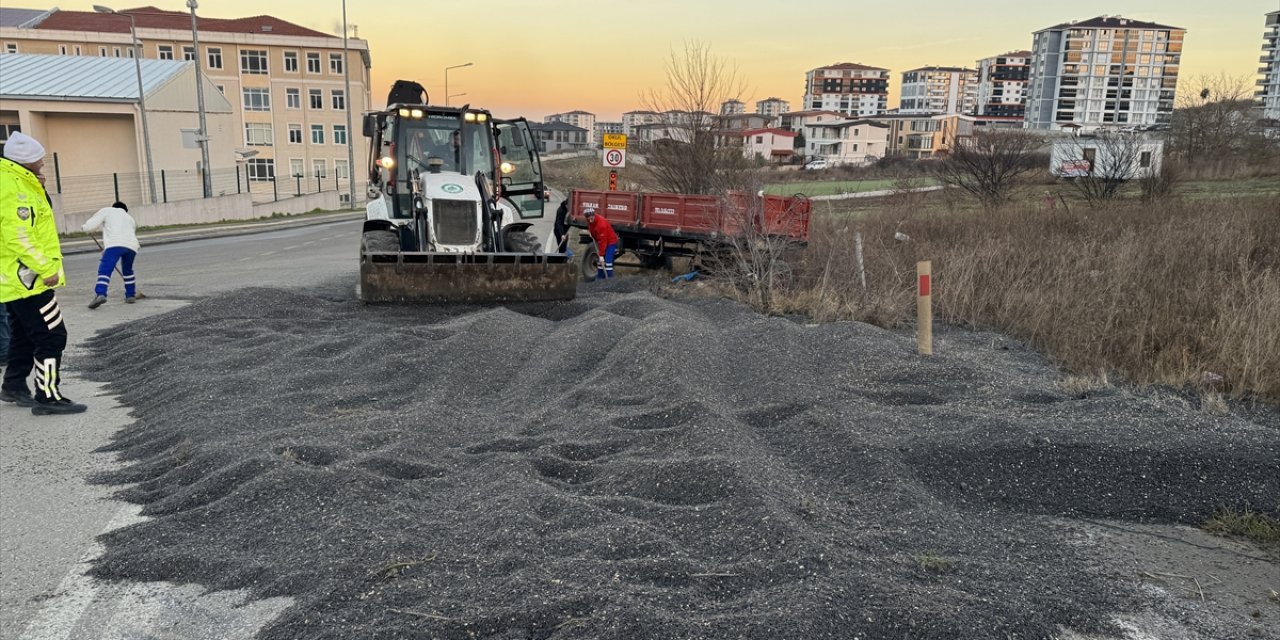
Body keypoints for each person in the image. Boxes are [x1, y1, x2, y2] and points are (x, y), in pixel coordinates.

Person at [0, 131, 87, 415]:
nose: (43, 163)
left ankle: (13, 385)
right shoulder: (15, 189)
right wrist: (47, 268)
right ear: (25, 161)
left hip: (16, 279)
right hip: (28, 279)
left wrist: (39, 188)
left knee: (25, 334)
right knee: (52, 335)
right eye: (39, 159)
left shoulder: (18, 182)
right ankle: (47, 397)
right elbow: (18, 236)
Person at [83, 201, 140, 308]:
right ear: (125, 210)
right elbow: (126, 235)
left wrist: (84, 227)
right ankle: (130, 295)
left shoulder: (107, 211)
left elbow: (90, 226)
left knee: (105, 269)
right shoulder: (130, 218)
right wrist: (107, 248)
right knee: (128, 270)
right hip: (132, 246)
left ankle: (101, 294)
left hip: (114, 244)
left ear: (113, 207)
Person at [583, 207, 618, 280]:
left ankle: (609, 280)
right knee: (600, 262)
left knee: (607, 262)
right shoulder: (590, 221)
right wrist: (591, 234)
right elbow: (592, 228)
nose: (590, 219)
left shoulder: (601, 224)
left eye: (591, 217)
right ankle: (600, 279)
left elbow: (603, 241)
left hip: (610, 242)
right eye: (588, 218)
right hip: (602, 241)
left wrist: (601, 255)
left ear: (594, 215)